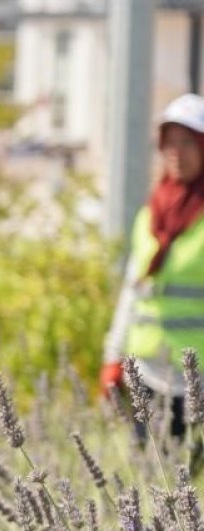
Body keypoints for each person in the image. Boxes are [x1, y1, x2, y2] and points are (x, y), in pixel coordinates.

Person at [102, 93, 204, 444]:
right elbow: (132, 295)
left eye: (188, 142)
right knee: (148, 473)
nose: (177, 152)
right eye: (170, 142)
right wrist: (113, 357)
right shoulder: (150, 215)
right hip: (145, 376)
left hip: (197, 383)